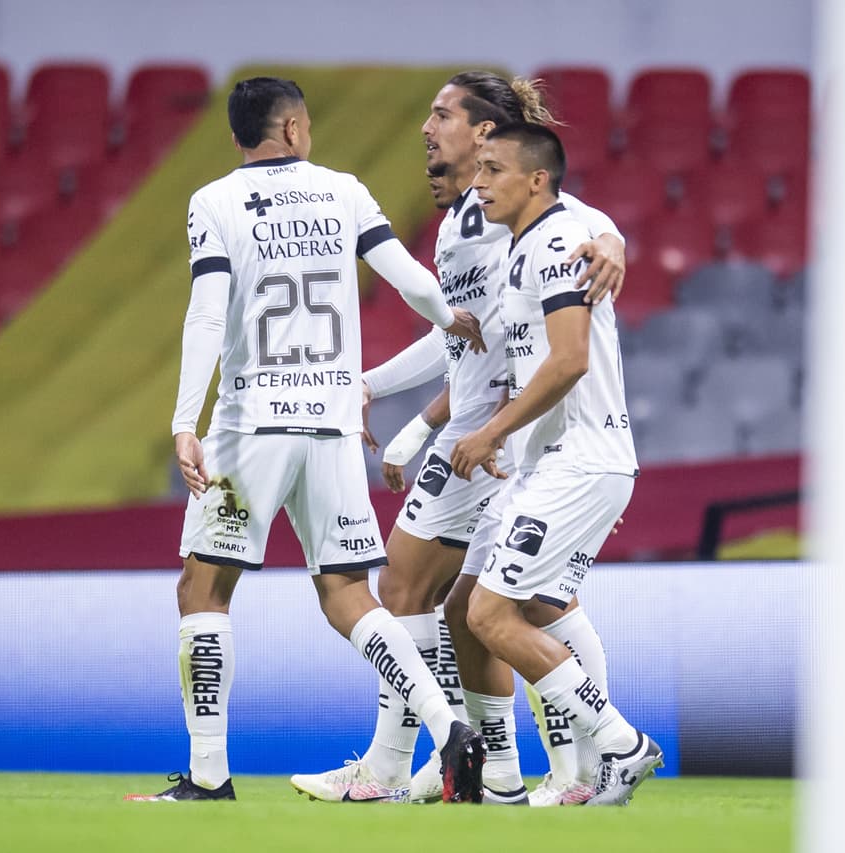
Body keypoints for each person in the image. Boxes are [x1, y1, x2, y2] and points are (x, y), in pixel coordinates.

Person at [125, 77, 488, 803]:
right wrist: (452, 320)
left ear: (241, 139)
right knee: (349, 591)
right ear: (293, 130)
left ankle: (208, 774)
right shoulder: (344, 192)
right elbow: (412, 280)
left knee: (204, 586)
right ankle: (450, 727)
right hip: (330, 423)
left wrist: (182, 421)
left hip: (247, 427)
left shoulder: (215, 202)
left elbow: (206, 314)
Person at [289, 71, 624, 806]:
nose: (426, 130)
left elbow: (579, 225)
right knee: (500, 606)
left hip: (498, 441)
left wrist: (612, 240)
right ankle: (501, 770)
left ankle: (422, 767)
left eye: (442, 116)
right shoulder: (472, 222)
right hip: (488, 433)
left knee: (430, 588)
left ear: (483, 135)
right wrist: (407, 412)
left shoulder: (497, 215)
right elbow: (467, 340)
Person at [450, 122, 661, 807]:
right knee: (540, 604)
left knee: (488, 614)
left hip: (580, 458)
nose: (478, 182)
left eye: (493, 169)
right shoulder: (527, 244)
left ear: (536, 179)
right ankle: (583, 775)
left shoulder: (557, 241)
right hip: (559, 461)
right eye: (477, 168)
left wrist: (490, 433)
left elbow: (570, 360)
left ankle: (620, 745)